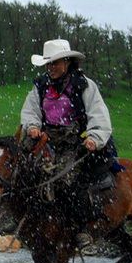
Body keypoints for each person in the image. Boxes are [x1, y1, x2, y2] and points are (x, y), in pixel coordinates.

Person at [20, 39, 120, 246]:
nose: (51, 68)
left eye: (55, 63)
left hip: (78, 142)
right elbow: (31, 111)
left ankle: (81, 227)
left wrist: (94, 138)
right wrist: (32, 126)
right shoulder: (40, 86)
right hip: (48, 141)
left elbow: (98, 115)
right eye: (49, 64)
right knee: (26, 170)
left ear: (67, 62)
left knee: (66, 178)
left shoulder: (84, 85)